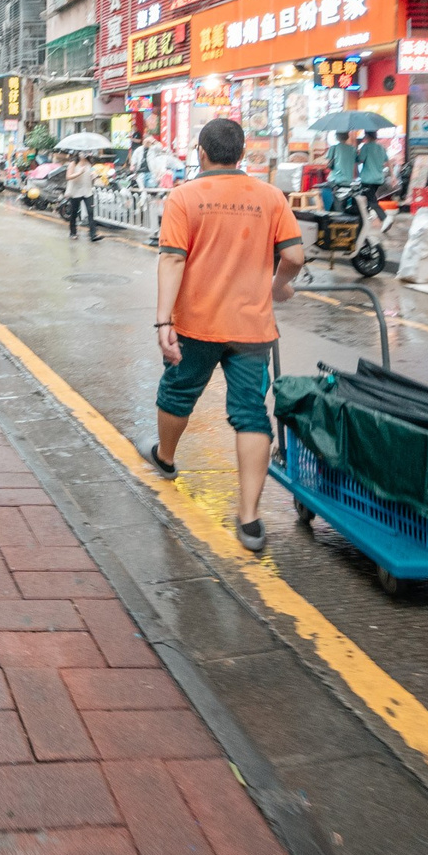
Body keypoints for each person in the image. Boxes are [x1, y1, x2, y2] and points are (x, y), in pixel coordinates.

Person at [138, 117, 307, 552]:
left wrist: (163, 321)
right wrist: (275, 287)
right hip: (252, 327)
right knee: (250, 411)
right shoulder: (270, 197)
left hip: (196, 323)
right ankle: (250, 518)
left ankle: (166, 458)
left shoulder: (185, 197)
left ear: (201, 152)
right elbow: (294, 256)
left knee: (178, 393)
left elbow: (172, 260)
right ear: (241, 153)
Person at [62, 153, 100, 239]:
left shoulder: (89, 162)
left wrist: (94, 176)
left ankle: (93, 234)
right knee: (74, 213)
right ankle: (73, 232)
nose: (84, 154)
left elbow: (91, 174)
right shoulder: (73, 163)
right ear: (78, 153)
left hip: (87, 191)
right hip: (76, 191)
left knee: (90, 212)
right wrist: (79, 172)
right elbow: (68, 177)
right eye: (83, 152)